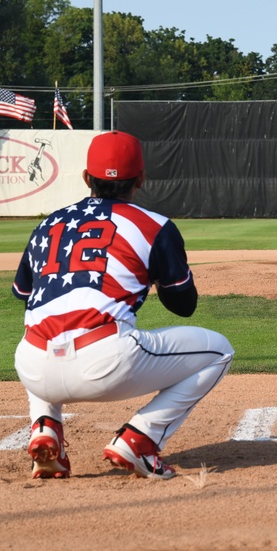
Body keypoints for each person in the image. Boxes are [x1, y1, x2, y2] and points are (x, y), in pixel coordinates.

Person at [11, 131, 234, 480]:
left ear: (87, 178)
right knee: (220, 350)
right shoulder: (154, 226)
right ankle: (139, 438)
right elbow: (183, 305)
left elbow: (23, 294)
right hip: (105, 362)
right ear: (141, 179)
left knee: (45, 322)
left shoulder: (47, 224)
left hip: (34, 370)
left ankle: (45, 425)